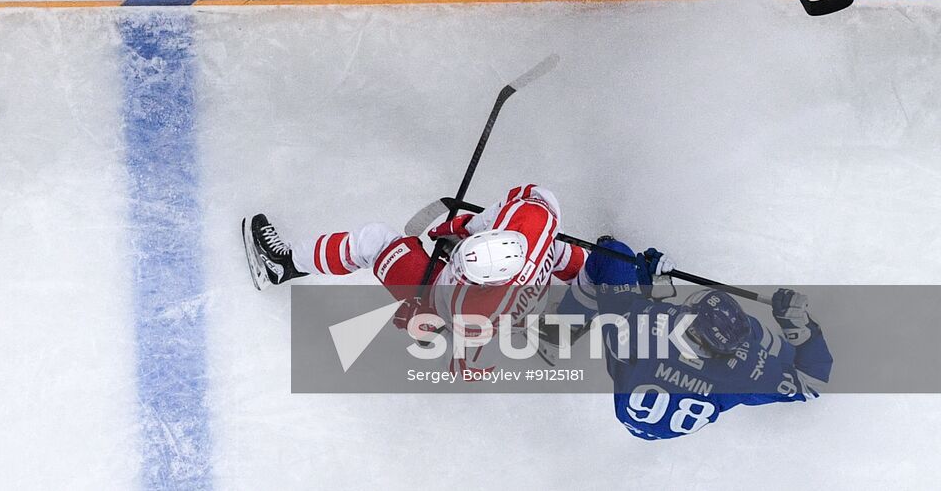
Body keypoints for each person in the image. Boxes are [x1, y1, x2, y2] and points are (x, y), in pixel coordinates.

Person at [245, 185, 587, 373]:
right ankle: (585, 292)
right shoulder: (536, 224)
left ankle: (283, 265)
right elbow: (541, 225)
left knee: (376, 241)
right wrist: (465, 228)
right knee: (570, 261)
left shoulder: (465, 308)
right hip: (521, 296)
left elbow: (458, 348)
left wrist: (423, 317)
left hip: (471, 312)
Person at [561, 237, 832, 440]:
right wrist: (798, 324)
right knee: (773, 345)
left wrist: (650, 281)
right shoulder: (747, 372)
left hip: (632, 376)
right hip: (662, 403)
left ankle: (555, 332)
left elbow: (643, 310)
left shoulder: (640, 331)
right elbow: (813, 383)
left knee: (612, 253)